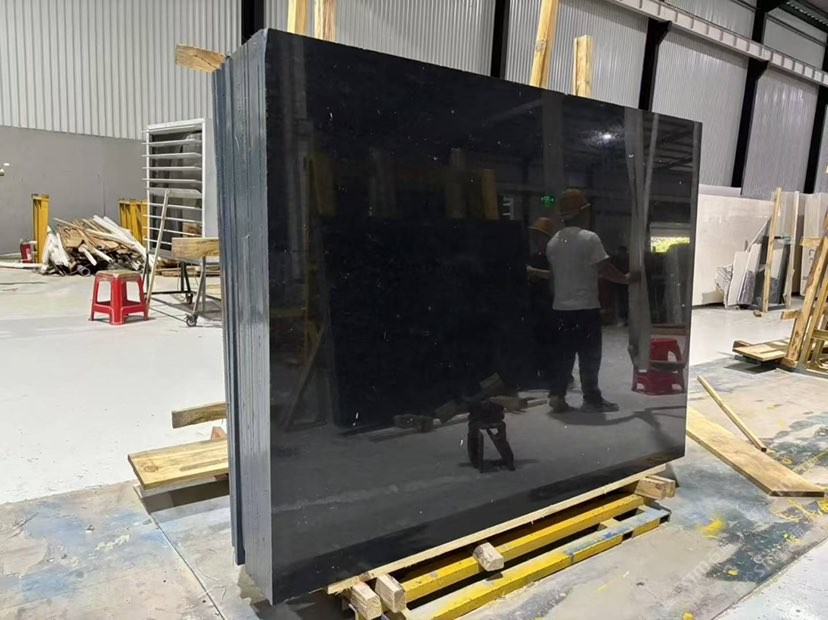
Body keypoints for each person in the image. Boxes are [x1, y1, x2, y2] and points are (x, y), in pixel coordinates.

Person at [542, 189, 633, 413]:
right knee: (589, 356)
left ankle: (557, 395)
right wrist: (626, 279)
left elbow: (553, 278)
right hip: (585, 309)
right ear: (583, 212)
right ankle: (591, 398)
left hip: (560, 309)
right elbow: (605, 269)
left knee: (563, 355)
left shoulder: (553, 243)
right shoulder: (589, 239)